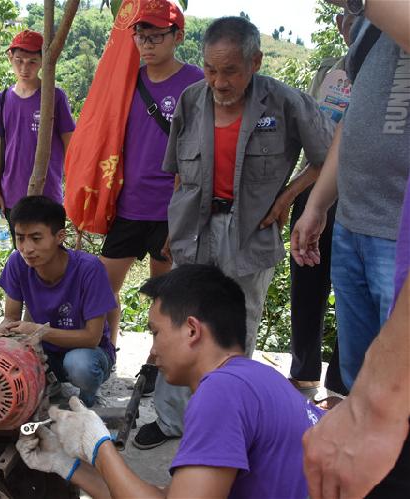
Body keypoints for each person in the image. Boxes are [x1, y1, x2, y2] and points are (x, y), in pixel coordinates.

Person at [135, 16, 335, 450]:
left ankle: (226, 423)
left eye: (230, 71)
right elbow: (177, 177)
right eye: (210, 69)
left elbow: (328, 156)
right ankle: (172, 421)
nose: (219, 81)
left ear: (255, 62)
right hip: (194, 228)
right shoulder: (191, 100)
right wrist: (172, 230)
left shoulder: (283, 102)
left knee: (236, 326)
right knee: (179, 320)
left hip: (249, 233)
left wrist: (287, 198)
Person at [17, 264, 324, 498]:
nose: (151, 352)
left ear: (192, 330)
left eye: (156, 332)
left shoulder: (222, 391)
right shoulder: (255, 379)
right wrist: (68, 465)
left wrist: (99, 447)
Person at [300, 0, 410, 497]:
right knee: (358, 372)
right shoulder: (370, 30)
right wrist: (318, 204)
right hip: (353, 223)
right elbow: (351, 120)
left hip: (398, 231)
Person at [97, 1, 203, 373]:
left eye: (157, 36)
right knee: (102, 284)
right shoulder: (130, 79)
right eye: (142, 36)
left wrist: (186, 208)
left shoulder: (195, 82)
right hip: (128, 204)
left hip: (170, 207)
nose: (147, 44)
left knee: (165, 294)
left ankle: (158, 360)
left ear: (178, 36)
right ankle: (106, 346)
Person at [287, 9, 355, 399]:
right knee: (307, 282)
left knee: (351, 286)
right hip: (313, 190)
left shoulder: (394, 67)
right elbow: (312, 137)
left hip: (361, 198)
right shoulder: (329, 71)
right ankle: (304, 372)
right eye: (346, 15)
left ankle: (342, 384)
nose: (352, 23)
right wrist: (295, 195)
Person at [0, 196, 117, 407]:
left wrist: (38, 331)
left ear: (60, 236)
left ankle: (88, 400)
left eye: (36, 238)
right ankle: (49, 384)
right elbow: (10, 318)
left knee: (80, 365)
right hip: (46, 352)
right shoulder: (17, 262)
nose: (27, 248)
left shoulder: (89, 269)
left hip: (90, 353)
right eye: (20, 238)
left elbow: (91, 338)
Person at [0, 29, 76, 228]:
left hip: (48, 194)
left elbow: (70, 144)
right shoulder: (2, 99)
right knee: (21, 253)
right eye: (19, 60)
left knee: (49, 253)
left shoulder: (55, 97)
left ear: (43, 61)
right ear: (10, 58)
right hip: (11, 195)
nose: (24, 68)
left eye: (32, 62)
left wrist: (71, 191)